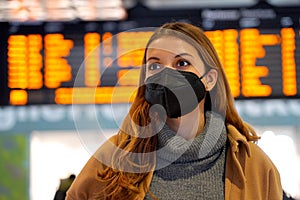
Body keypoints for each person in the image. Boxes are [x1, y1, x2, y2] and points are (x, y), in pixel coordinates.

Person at [66, 22, 282, 199]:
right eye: (155, 66)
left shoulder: (252, 164)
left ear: (209, 79)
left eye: (182, 63)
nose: (167, 74)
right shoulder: (116, 156)